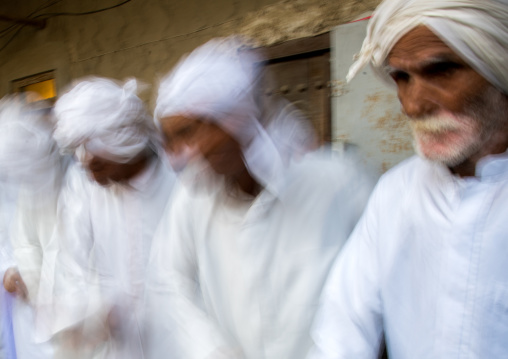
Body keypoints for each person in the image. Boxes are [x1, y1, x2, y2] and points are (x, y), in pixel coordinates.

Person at [145, 36, 374, 359]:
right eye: (170, 139)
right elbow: (168, 280)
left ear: (236, 120)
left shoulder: (338, 183)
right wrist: (211, 349)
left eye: (190, 132)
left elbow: (371, 298)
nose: (179, 156)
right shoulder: (191, 199)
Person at [309, 0, 508, 358]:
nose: (414, 104)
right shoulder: (395, 192)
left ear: (498, 68)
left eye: (442, 70)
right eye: (402, 77)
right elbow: (343, 328)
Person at [50, 77, 175, 358]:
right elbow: (72, 259)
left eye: (99, 165)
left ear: (127, 143)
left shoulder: (179, 182)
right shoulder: (83, 185)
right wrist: (88, 309)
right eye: (83, 163)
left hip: (176, 339)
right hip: (116, 344)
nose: (90, 173)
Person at [0, 96, 67, 359]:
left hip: (71, 305)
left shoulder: (75, 180)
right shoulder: (15, 177)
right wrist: (9, 268)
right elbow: (16, 238)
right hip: (26, 301)